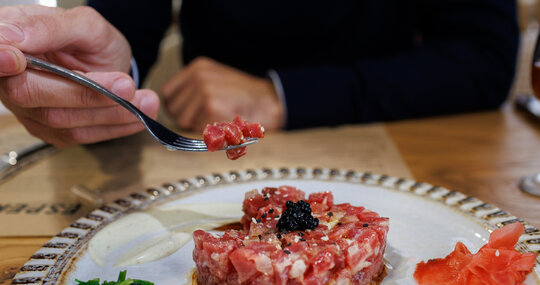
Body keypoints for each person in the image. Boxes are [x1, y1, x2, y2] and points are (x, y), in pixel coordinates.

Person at [0, 1, 519, 148]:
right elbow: (128, 15)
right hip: (205, 154)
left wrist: (285, 95)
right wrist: (102, 75)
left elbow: (483, 58)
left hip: (395, 140)